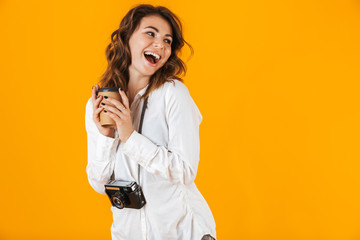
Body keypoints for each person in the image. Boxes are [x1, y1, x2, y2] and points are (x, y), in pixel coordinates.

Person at [85, 4, 216, 240]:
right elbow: (99, 184)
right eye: (150, 33)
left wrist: (130, 137)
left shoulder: (172, 94)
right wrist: (105, 137)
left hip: (182, 232)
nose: (161, 45)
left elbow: (185, 170)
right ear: (126, 38)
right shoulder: (100, 104)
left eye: (168, 41)